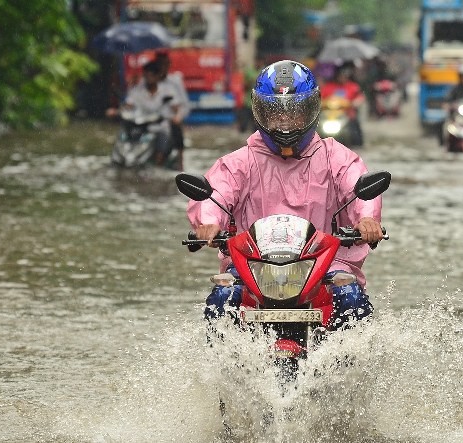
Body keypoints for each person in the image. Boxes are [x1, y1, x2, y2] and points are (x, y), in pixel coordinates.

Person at [187, 60, 384, 330]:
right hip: (253, 268)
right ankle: (221, 369)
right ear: (261, 113)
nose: (285, 122)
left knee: (350, 297)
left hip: (325, 265)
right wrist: (208, 223)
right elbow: (215, 194)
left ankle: (353, 367)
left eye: (294, 112)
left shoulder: (336, 157)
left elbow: (359, 188)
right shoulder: (239, 162)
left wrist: (367, 219)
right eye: (276, 113)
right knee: (223, 297)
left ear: (310, 110)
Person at [108, 60, 182, 167]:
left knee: (163, 140)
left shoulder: (167, 90)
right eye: (146, 75)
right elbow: (128, 105)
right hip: (139, 125)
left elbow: (176, 108)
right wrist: (116, 111)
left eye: (151, 75)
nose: (148, 78)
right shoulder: (137, 90)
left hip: (159, 127)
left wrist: (176, 117)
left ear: (157, 76)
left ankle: (158, 164)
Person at [155, 51, 189, 170]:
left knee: (175, 130)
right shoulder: (147, 82)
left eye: (165, 64)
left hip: (169, 121)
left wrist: (178, 117)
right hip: (150, 120)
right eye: (159, 64)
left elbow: (183, 104)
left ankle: (180, 164)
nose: (162, 68)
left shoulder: (174, 82)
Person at [320, 62, 366, 146]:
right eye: (340, 75)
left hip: (347, 115)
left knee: (355, 130)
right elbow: (319, 98)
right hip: (329, 116)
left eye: (344, 75)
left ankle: (357, 145)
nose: (342, 77)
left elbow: (360, 97)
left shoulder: (353, 86)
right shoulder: (327, 87)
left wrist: (355, 103)